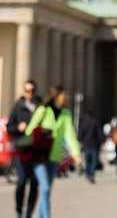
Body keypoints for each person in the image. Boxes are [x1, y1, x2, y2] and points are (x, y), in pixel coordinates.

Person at [25, 85, 82, 218]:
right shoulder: (43, 110)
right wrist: (43, 133)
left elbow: (70, 135)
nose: (66, 97)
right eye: (64, 95)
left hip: (54, 156)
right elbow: (29, 130)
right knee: (44, 188)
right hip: (39, 156)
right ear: (57, 96)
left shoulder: (66, 114)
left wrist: (76, 153)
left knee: (47, 191)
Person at [7, 80, 41, 218]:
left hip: (37, 151)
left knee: (34, 183)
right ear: (23, 91)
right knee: (21, 181)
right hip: (22, 149)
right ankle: (19, 209)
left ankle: (28, 213)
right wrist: (17, 128)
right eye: (27, 90)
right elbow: (9, 127)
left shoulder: (40, 106)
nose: (29, 93)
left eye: (32, 90)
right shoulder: (17, 106)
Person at [77, 109, 103, 184]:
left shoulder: (83, 123)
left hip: (86, 145)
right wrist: (101, 141)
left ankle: (87, 174)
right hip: (94, 144)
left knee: (87, 161)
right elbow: (99, 133)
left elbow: (80, 134)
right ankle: (91, 174)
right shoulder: (94, 122)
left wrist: (81, 141)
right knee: (93, 161)